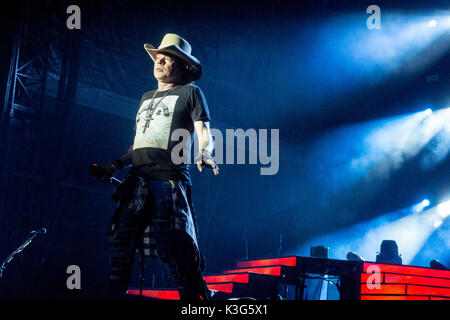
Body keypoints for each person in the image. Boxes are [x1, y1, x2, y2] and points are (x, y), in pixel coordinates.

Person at [100, 33, 218, 300]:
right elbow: (139, 142)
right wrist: (116, 164)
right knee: (122, 238)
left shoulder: (191, 93)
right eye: (158, 57)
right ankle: (115, 293)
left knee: (173, 241)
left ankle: (196, 293)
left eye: (168, 58)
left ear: (182, 66)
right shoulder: (145, 97)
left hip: (169, 178)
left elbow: (204, 131)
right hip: (138, 178)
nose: (160, 61)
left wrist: (204, 152)